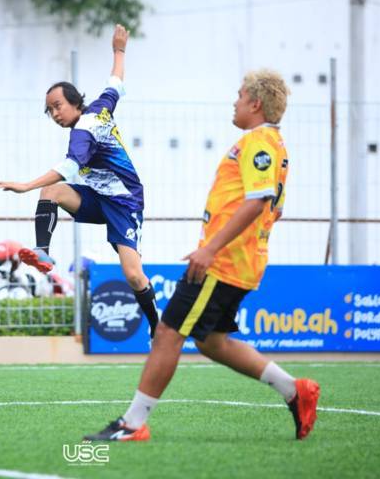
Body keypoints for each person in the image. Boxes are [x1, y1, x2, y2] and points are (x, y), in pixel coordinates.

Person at [84, 69, 320, 442]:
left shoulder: (258, 142)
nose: (235, 101)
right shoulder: (275, 146)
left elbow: (259, 201)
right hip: (239, 259)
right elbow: (276, 207)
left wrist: (210, 248)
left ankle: (133, 423)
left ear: (255, 104)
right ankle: (295, 390)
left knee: (167, 332)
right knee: (212, 341)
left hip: (224, 262)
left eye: (240, 95)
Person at [0, 24, 159, 337]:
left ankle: (157, 325)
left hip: (125, 203)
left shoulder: (83, 130)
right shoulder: (100, 108)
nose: (54, 114)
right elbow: (115, 84)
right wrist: (119, 50)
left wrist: (24, 185)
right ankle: (43, 251)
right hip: (98, 197)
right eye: (49, 110)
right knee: (52, 191)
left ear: (73, 102)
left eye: (57, 106)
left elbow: (70, 167)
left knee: (134, 276)